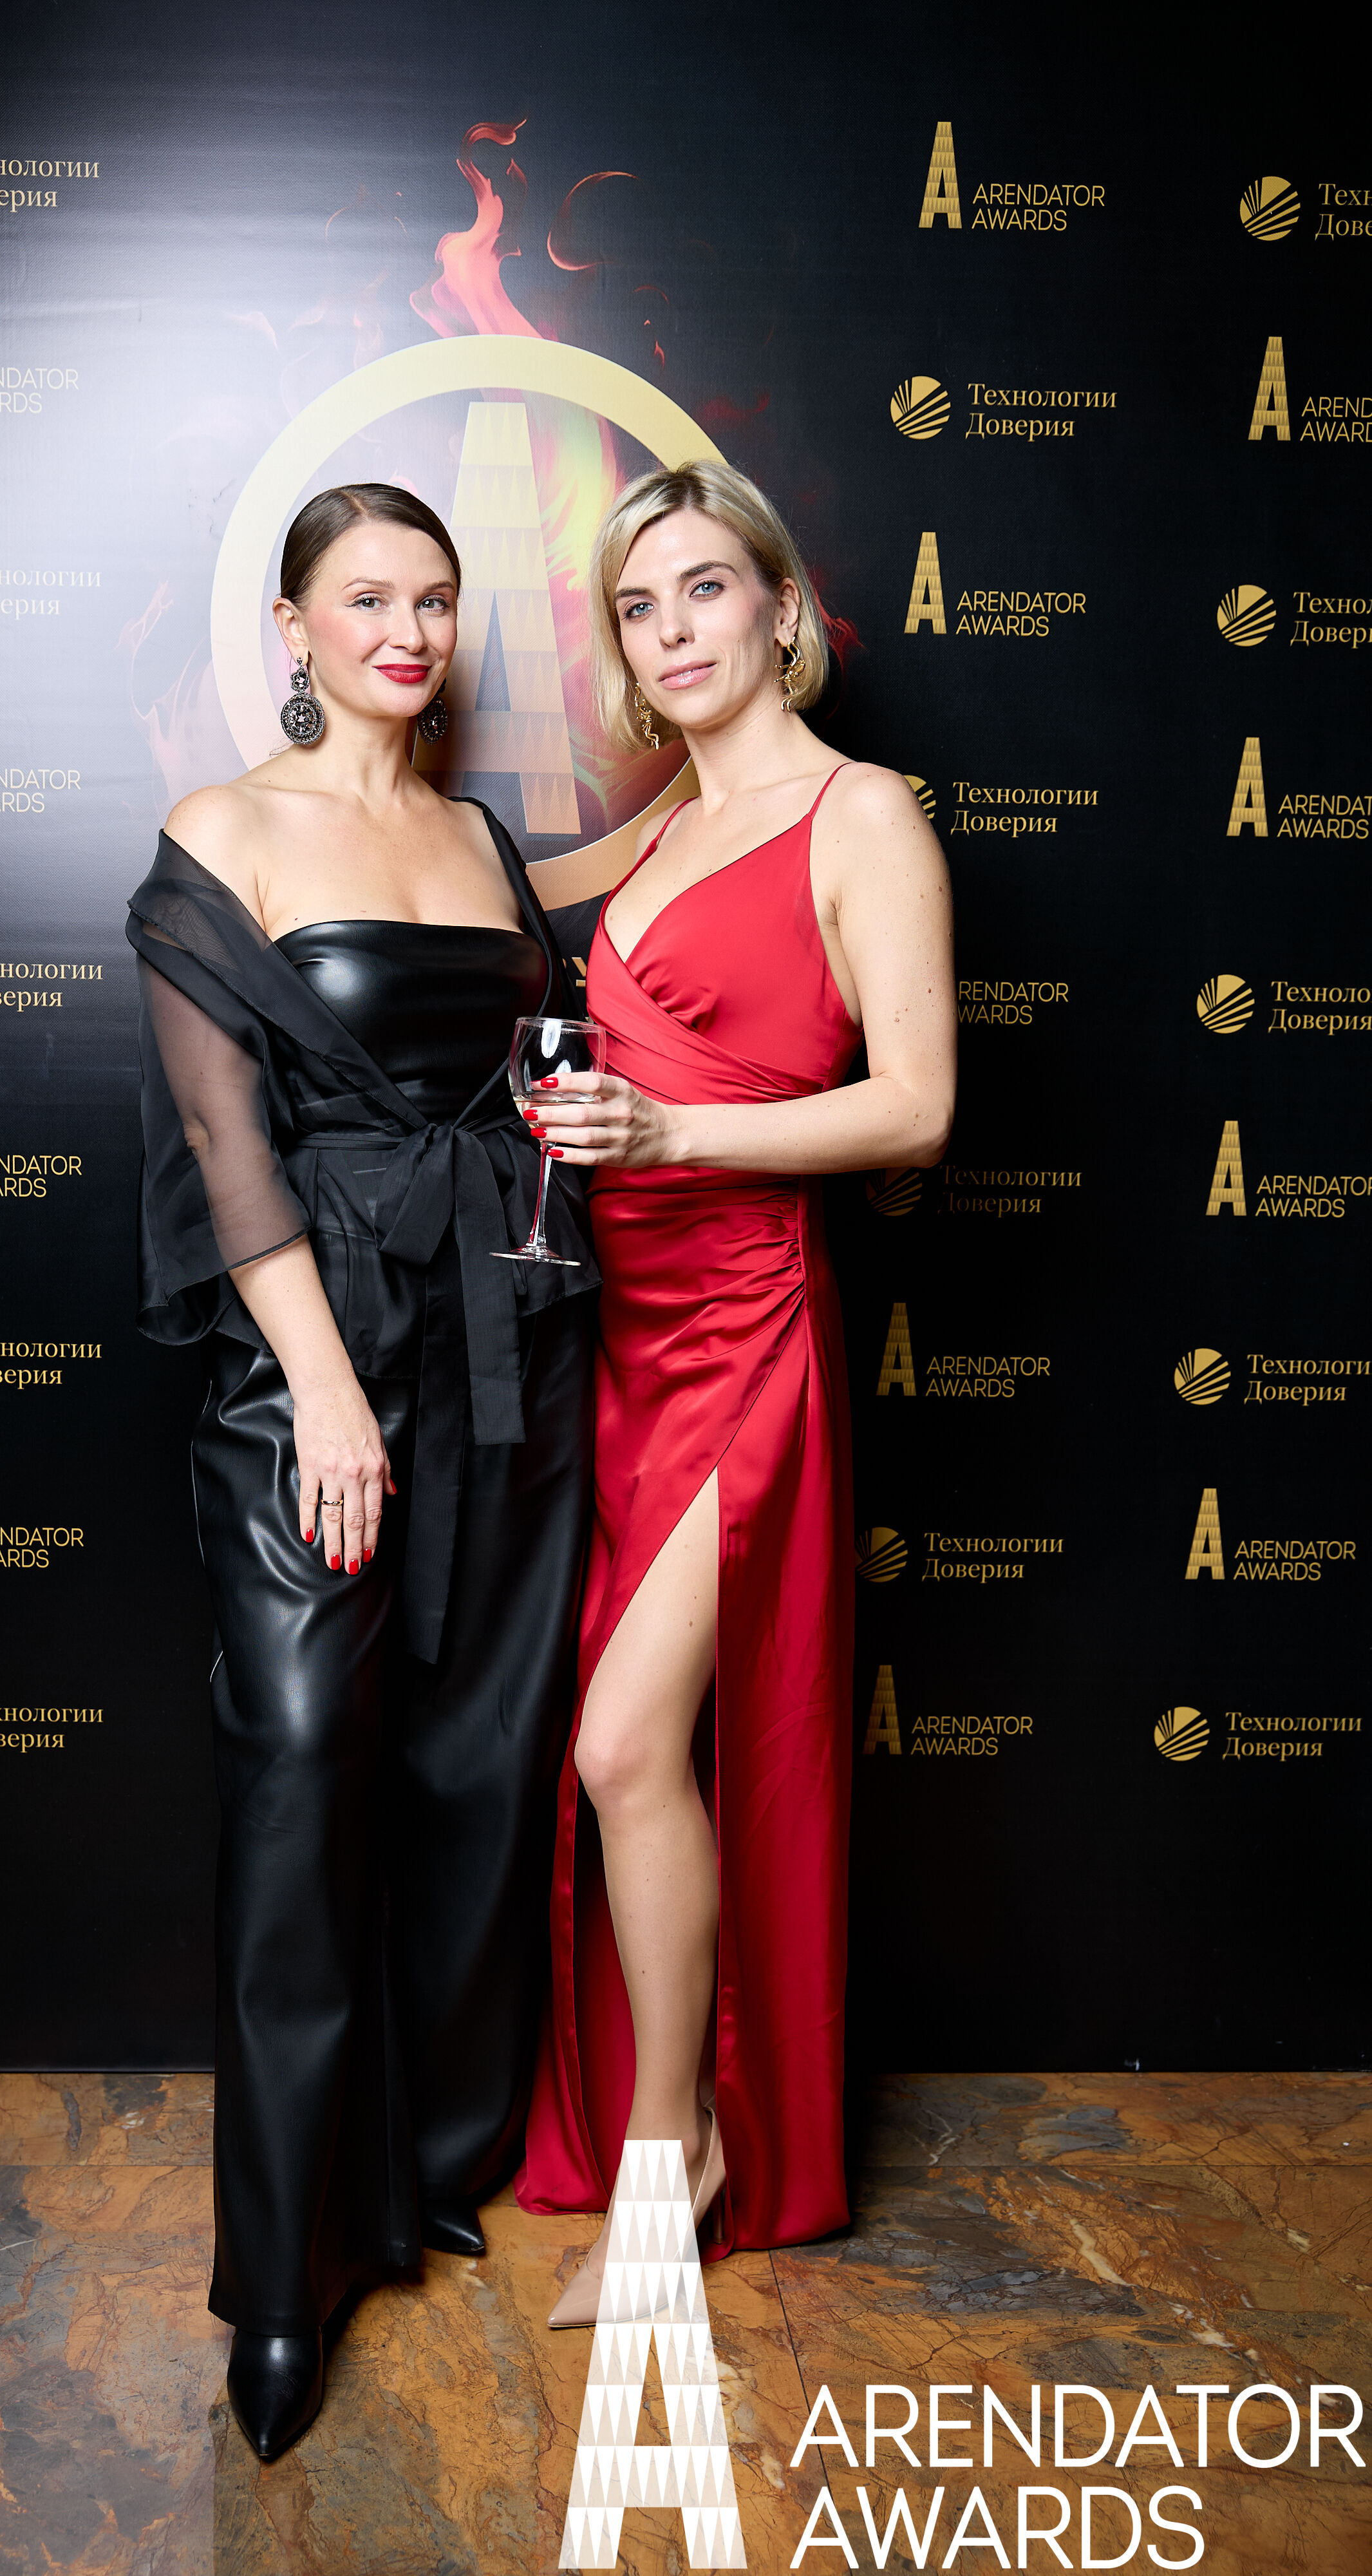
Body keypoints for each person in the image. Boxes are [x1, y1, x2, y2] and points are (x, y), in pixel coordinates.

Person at [126, 484, 597, 2456]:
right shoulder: (223, 830)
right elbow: (225, 1145)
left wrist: (565, 1132)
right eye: (366, 598)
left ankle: (419, 2168)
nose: (406, 630)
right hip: (310, 1358)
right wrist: (320, 1392)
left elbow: (530, 1061)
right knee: (305, 1769)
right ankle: (279, 2281)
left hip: (500, 1341)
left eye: (434, 599)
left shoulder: (480, 839)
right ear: (293, 623)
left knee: (472, 1754)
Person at [514, 460, 955, 2316]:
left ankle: (674, 2151)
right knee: (623, 1757)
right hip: (616, 1346)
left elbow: (917, 1110)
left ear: (781, 608)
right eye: (639, 605)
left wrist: (672, 1131)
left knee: (627, 1746)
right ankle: (662, 2128)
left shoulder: (864, 816)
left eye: (705, 587)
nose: (673, 630)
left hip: (748, 1334)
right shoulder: (658, 838)